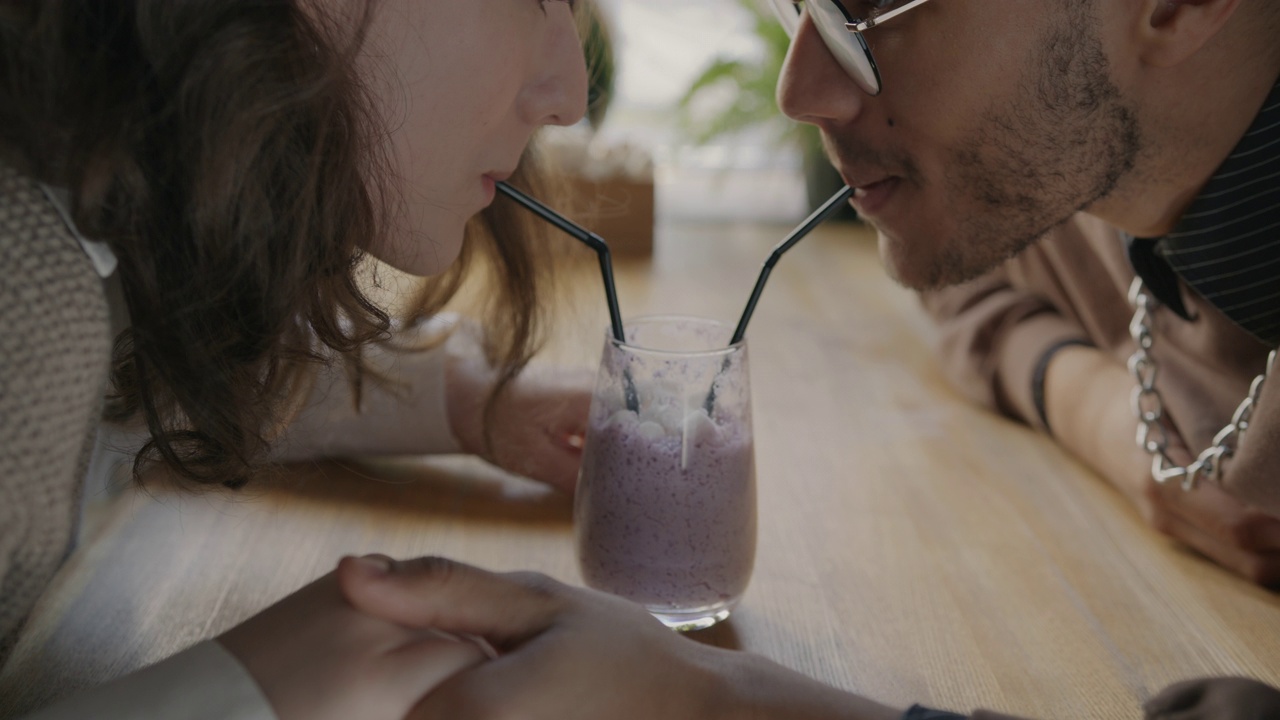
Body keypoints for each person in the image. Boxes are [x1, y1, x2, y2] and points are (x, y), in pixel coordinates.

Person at [314, 0, 1280, 718]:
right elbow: (958, 282)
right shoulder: (1071, 176)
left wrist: (719, 703)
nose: (800, 90)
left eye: (864, 12)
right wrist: (1110, 420)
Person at [0, 0, 591, 717]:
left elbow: (148, 365)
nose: (572, 96)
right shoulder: (22, 292)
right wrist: (247, 693)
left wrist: (460, 395)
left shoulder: (111, 186)